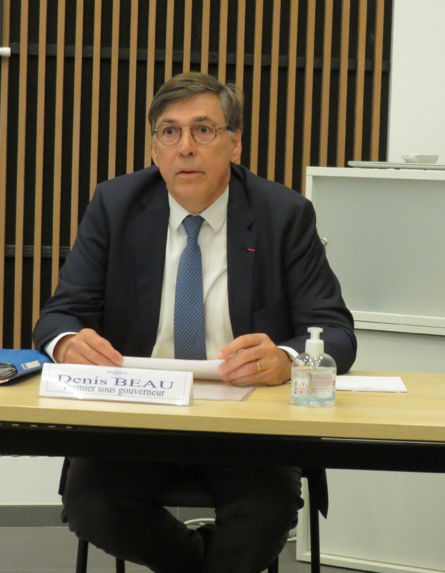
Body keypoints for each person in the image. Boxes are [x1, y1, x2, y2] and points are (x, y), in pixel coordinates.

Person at [33, 72, 356, 573]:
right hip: (137, 415)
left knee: (265, 514)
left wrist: (286, 359)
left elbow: (335, 331)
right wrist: (69, 341)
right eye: (170, 132)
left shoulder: (283, 214)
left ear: (235, 143)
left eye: (203, 130)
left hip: (246, 420)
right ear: (155, 148)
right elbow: (58, 315)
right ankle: (196, 560)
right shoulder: (115, 206)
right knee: (93, 506)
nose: (185, 147)